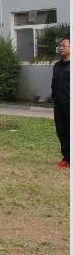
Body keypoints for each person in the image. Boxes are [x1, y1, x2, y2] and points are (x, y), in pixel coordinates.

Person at [52, 35, 70, 167]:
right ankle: (67, 157)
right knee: (62, 131)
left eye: (64, 46)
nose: (61, 48)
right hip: (59, 104)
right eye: (60, 46)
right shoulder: (57, 65)